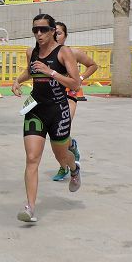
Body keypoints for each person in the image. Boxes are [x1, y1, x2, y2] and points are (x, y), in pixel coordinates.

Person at [11, 14, 82, 223]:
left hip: (58, 111)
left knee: (62, 157)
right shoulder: (32, 52)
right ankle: (30, 207)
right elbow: (31, 72)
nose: (39, 34)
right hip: (36, 110)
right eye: (35, 30)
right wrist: (17, 80)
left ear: (52, 31)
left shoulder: (64, 52)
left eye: (43, 29)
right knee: (32, 158)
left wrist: (50, 72)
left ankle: (74, 168)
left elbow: (75, 84)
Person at [52, 22, 95, 183]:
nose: (56, 36)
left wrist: (81, 78)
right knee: (55, 135)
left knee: (62, 128)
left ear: (65, 36)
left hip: (69, 96)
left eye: (59, 33)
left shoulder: (73, 53)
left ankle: (64, 166)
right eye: (53, 32)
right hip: (51, 99)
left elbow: (92, 65)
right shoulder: (44, 53)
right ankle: (70, 147)